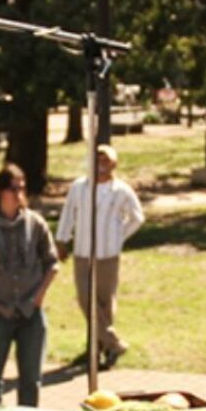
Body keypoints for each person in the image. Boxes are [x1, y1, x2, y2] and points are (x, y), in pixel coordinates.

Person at [0, 163, 58, 407]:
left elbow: (52, 263)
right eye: (12, 188)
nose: (18, 193)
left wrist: (38, 297)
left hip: (30, 312)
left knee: (31, 379)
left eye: (22, 188)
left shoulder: (36, 224)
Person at [55, 144, 144, 369]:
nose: (101, 163)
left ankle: (98, 348)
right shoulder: (79, 187)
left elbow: (137, 217)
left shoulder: (121, 190)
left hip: (108, 254)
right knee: (86, 299)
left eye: (106, 160)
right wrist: (62, 240)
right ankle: (114, 343)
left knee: (104, 303)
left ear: (114, 164)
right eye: (97, 159)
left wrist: (118, 236)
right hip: (83, 252)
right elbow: (68, 214)